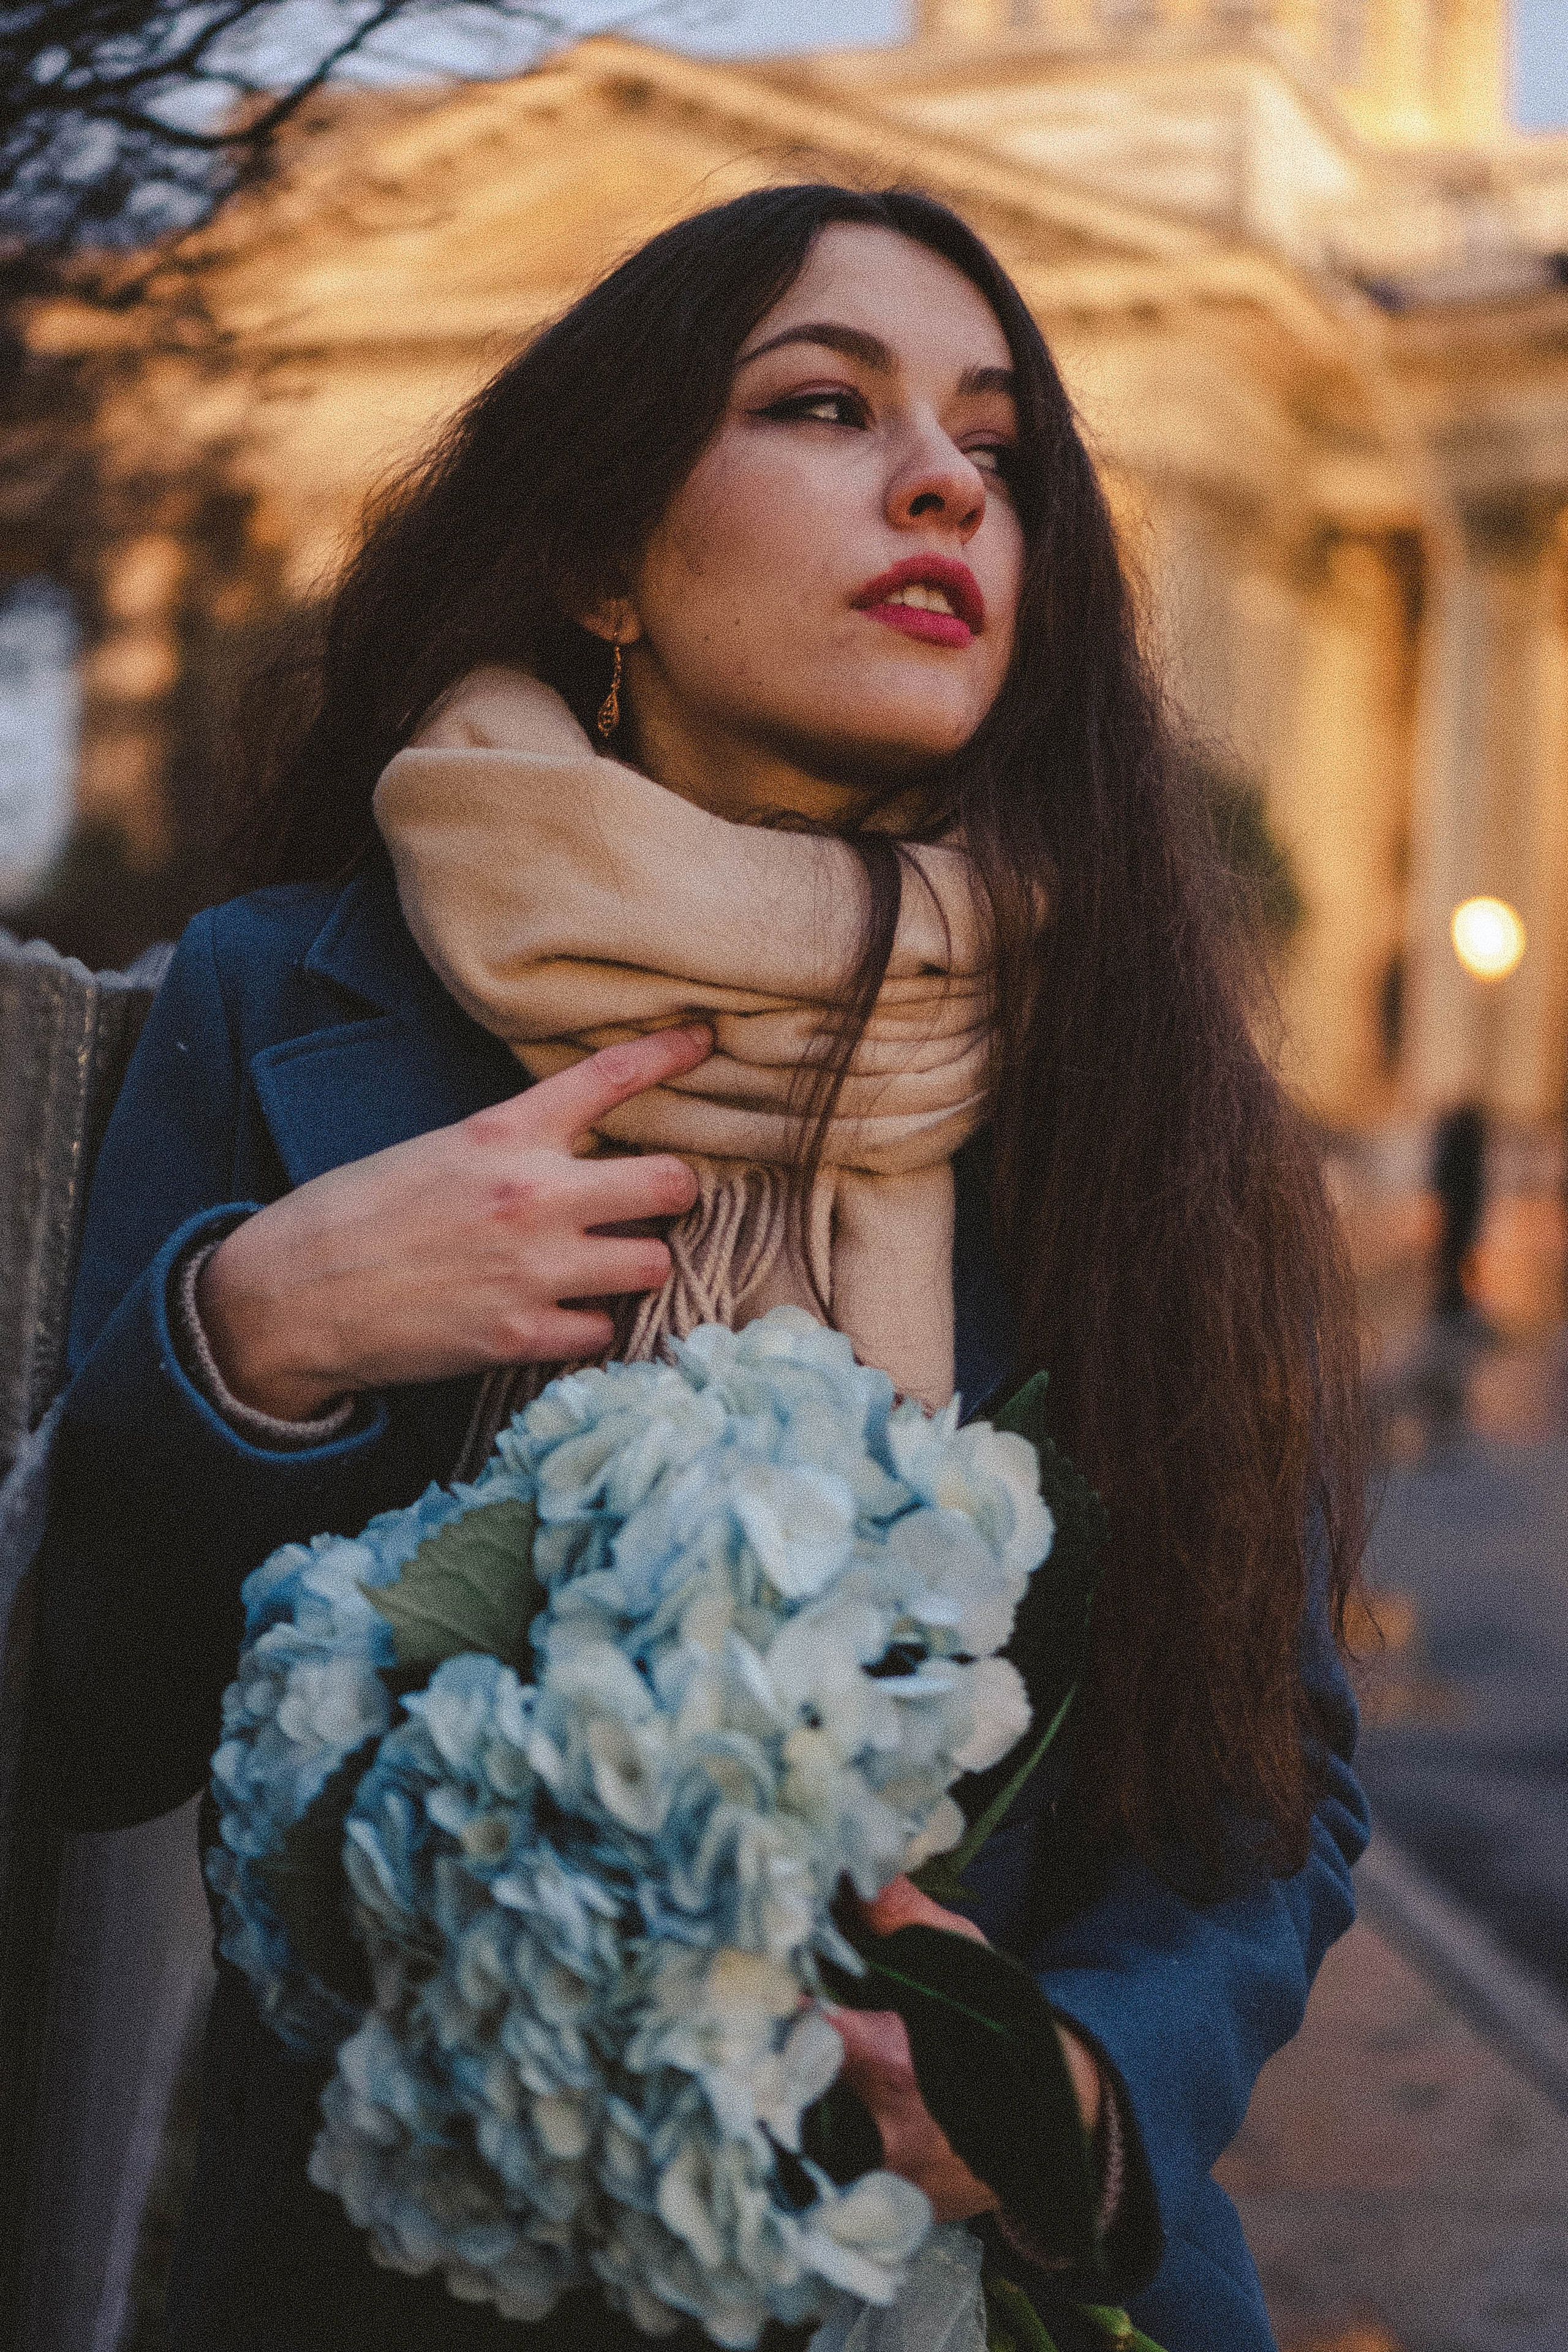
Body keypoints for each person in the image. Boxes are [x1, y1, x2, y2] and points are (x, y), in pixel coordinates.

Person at [36, 184, 1369, 2352]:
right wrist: (253, 1339)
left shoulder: (1138, 1090)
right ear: (600, 560)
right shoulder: (284, 998)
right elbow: (89, 1737)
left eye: (998, 450)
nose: (945, 483)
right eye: (827, 406)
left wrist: (1078, 2090)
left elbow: (1263, 1779)